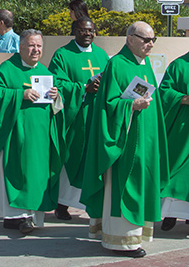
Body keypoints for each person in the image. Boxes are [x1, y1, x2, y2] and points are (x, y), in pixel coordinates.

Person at [81, 21, 169, 258]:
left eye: (152, 40)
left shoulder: (146, 64)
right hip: (124, 140)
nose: (149, 44)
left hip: (144, 138)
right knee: (124, 186)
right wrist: (131, 106)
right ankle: (120, 242)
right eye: (145, 39)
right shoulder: (117, 64)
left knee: (140, 185)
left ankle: (136, 235)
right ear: (130, 38)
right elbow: (109, 104)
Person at [0, 29, 64, 235]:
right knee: (19, 172)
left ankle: (33, 216)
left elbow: (56, 109)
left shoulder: (46, 73)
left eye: (39, 46)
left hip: (40, 138)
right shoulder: (7, 69)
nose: (35, 50)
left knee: (37, 175)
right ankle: (16, 217)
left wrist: (56, 97)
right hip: (16, 134)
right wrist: (21, 94)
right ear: (20, 47)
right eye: (31, 45)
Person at [48, 17, 109, 220]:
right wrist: (83, 88)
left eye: (91, 31)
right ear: (74, 31)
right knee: (71, 158)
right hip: (75, 118)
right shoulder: (62, 55)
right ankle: (62, 204)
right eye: (83, 31)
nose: (88, 34)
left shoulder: (102, 55)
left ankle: (89, 202)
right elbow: (57, 83)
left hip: (96, 117)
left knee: (91, 160)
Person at [159, 51, 189, 231]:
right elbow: (165, 91)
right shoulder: (178, 65)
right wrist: (184, 99)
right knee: (175, 171)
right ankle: (169, 215)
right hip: (182, 129)